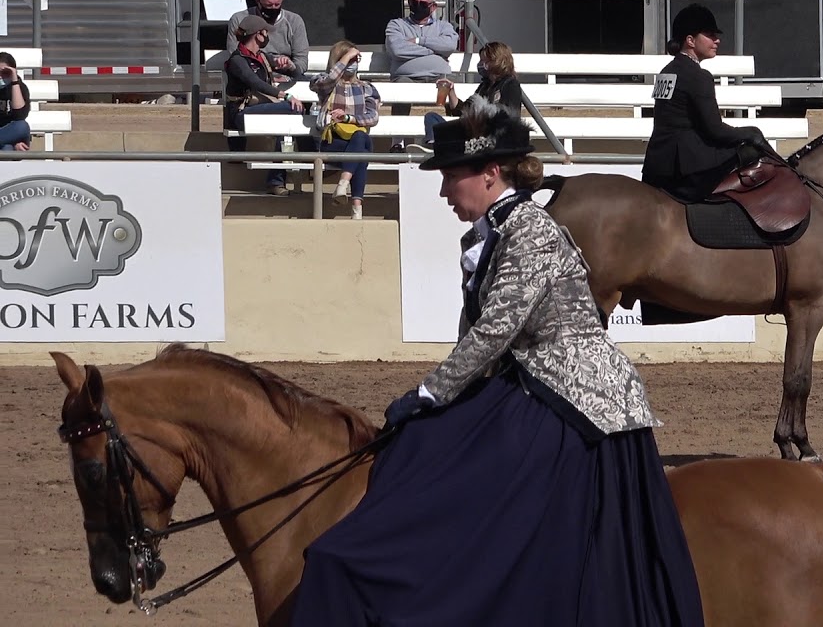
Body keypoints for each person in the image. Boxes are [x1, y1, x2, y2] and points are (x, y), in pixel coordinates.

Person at [289, 101, 705, 627]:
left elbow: (494, 330)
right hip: (535, 382)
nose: (443, 193)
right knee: (429, 440)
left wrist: (430, 392)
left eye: (450, 179)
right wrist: (440, 397)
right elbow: (481, 335)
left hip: (577, 399)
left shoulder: (529, 229)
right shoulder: (497, 230)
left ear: (489, 175)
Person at [642, 3, 772, 202]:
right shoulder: (698, 76)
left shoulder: (666, 71)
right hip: (685, 172)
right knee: (752, 152)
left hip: (656, 166)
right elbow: (715, 130)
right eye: (710, 35)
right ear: (690, 40)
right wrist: (750, 132)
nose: (717, 40)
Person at [224, 14, 305, 195]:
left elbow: (292, 70)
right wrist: (285, 95)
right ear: (258, 34)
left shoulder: (262, 56)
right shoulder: (237, 60)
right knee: (292, 108)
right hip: (243, 112)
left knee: (286, 126)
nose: (268, 36)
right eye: (266, 32)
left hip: (259, 109)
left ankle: (276, 182)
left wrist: (288, 64)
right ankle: (313, 155)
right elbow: (254, 82)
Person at [310, 41, 382, 220]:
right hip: (332, 141)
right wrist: (345, 58)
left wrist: (348, 118)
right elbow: (329, 80)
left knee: (360, 138)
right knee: (362, 152)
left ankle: (343, 184)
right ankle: (356, 208)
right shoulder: (324, 83)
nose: (353, 63)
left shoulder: (367, 88)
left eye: (355, 59)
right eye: (349, 60)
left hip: (356, 141)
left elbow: (373, 117)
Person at [385, 0, 459, 151]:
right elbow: (397, 49)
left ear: (432, 7)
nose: (417, 6)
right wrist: (434, 52)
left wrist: (419, 41)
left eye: (423, 4)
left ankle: (452, 141)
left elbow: (449, 46)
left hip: (439, 76)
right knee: (402, 88)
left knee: (451, 90)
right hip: (406, 77)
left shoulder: (443, 26)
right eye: (414, 2)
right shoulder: (396, 25)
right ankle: (398, 142)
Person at [426, 40, 523, 144]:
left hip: (490, 137)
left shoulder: (510, 85)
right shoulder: (484, 86)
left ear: (497, 61)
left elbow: (510, 118)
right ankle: (434, 144)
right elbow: (462, 111)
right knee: (432, 117)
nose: (480, 65)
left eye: (484, 61)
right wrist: (451, 91)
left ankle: (440, 145)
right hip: (471, 132)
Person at [227, 0, 310, 82]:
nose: (273, 8)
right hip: (253, 76)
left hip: (287, 77)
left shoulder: (294, 21)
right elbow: (235, 57)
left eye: (277, 4)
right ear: (258, 1)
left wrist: (290, 67)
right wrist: (267, 77)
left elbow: (301, 61)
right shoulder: (240, 20)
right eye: (268, 5)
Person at [0, 52, 31, 152]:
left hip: (12, 132)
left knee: (22, 126)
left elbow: (19, 115)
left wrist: (14, 81)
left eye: (5, 73)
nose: (1, 77)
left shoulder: (19, 87)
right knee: (7, 149)